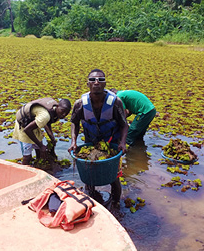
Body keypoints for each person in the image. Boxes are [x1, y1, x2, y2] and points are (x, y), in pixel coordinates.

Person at [68, 69, 128, 205]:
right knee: (90, 174)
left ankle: (116, 204)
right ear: (88, 84)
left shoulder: (115, 102)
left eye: (100, 80)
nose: (96, 82)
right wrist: (73, 141)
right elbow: (74, 122)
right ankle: (93, 200)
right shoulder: (80, 104)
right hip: (91, 142)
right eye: (93, 80)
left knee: (114, 177)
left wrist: (123, 143)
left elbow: (124, 125)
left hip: (111, 142)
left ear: (105, 83)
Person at [13, 97, 71, 165]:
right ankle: (24, 171)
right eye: (62, 111)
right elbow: (27, 130)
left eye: (66, 113)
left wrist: (52, 138)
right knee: (27, 157)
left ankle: (37, 166)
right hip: (23, 126)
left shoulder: (55, 111)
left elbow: (46, 123)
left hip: (33, 124)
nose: (64, 114)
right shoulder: (45, 116)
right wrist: (41, 146)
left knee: (40, 152)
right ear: (57, 106)